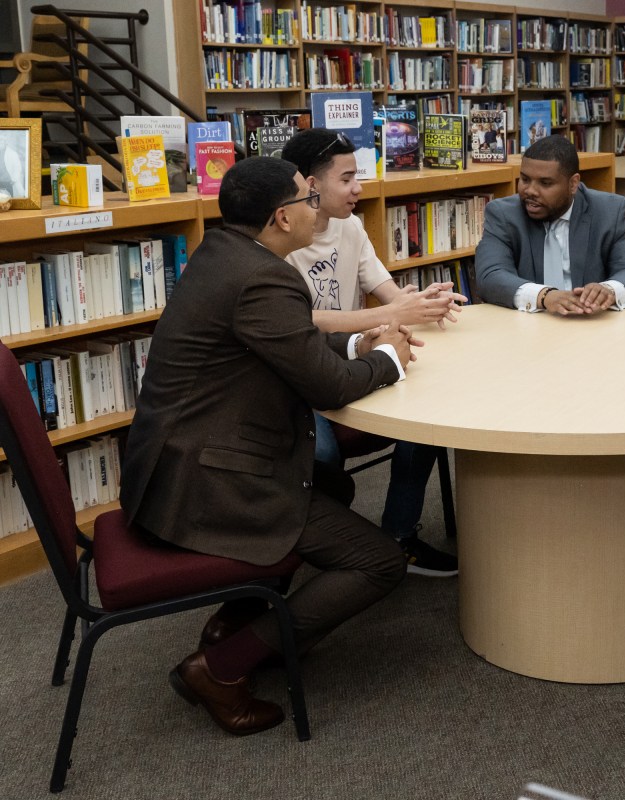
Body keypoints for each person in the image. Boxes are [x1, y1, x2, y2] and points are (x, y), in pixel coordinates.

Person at [120, 156, 417, 736]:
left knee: (333, 482)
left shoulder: (225, 253)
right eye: (309, 199)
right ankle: (220, 667)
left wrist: (360, 345)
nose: (318, 209)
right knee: (379, 562)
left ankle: (238, 619)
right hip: (207, 483)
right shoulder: (264, 276)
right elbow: (323, 385)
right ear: (282, 217)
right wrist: (388, 360)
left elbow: (293, 346)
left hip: (180, 461)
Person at [281, 127, 463, 577]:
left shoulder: (352, 225)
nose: (358, 188)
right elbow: (301, 321)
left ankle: (399, 538)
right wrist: (391, 314)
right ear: (309, 184)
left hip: (359, 355)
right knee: (319, 457)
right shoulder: (281, 236)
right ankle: (322, 554)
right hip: (305, 373)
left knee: (427, 422)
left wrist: (420, 301)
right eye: (346, 178)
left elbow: (383, 291)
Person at [476, 134, 625, 314]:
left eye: (545, 183)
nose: (530, 191)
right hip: (529, 326)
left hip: (592, 324)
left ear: (573, 184)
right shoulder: (503, 214)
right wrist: (545, 296)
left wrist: (609, 290)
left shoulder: (611, 211)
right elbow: (490, 276)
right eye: (525, 179)